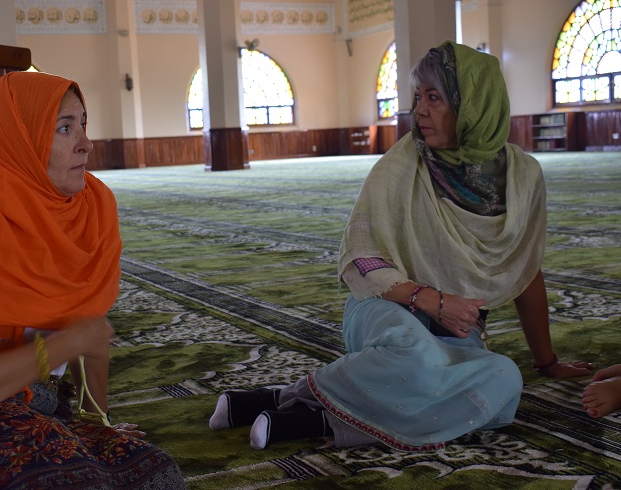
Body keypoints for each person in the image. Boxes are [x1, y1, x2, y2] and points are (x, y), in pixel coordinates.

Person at [209, 41, 594, 451]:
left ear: (475, 105)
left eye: (434, 97)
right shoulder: (403, 164)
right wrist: (431, 300)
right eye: (417, 97)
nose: (420, 110)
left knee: (504, 380)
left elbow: (524, 269)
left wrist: (546, 363)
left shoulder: (523, 178)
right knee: (414, 355)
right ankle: (293, 400)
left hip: (457, 329)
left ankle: (316, 416)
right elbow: (361, 259)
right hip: (385, 306)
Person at [0, 72, 185, 488]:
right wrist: (60, 346)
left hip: (37, 400)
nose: (85, 143)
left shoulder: (91, 207)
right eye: (64, 128)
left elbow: (89, 332)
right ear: (19, 140)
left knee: (158, 472)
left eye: (83, 124)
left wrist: (97, 421)